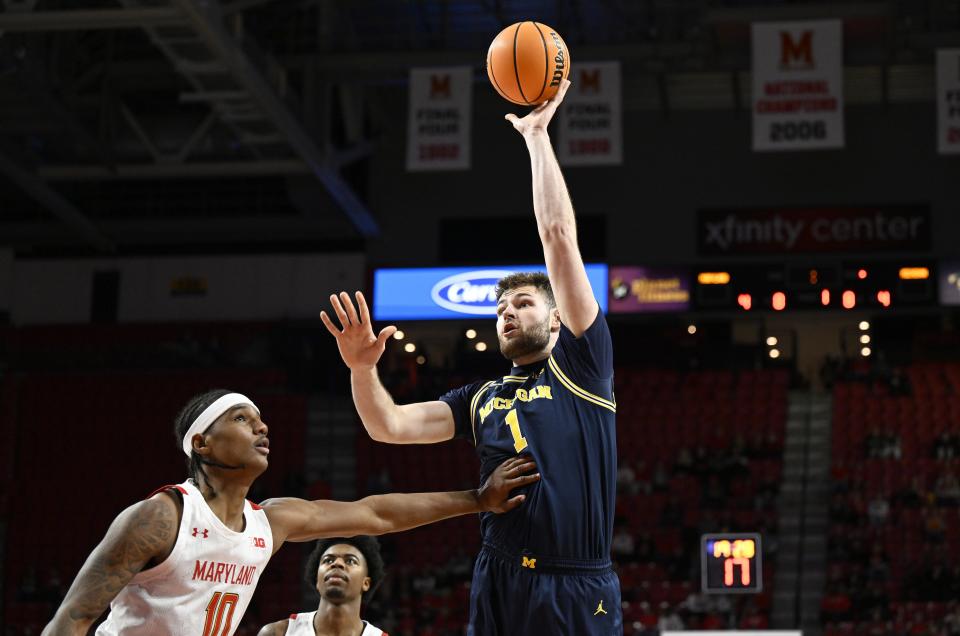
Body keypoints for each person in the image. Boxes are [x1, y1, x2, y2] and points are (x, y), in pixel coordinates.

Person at [321, 79, 622, 634]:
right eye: (500, 306)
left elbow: (557, 236)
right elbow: (387, 426)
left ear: (557, 319)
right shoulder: (480, 398)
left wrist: (535, 135)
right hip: (500, 574)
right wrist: (362, 369)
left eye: (524, 303)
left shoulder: (584, 363)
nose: (507, 312)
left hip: (576, 581)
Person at [42, 390, 538, 635]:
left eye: (262, 421)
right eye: (242, 419)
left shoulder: (269, 521)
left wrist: (476, 500)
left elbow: (376, 515)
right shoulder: (160, 516)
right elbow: (73, 618)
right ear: (201, 442)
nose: (262, 430)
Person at [258, 535, 387, 636]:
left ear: (366, 583)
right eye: (328, 560)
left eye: (350, 561)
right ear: (318, 580)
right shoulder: (277, 633)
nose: (337, 564)